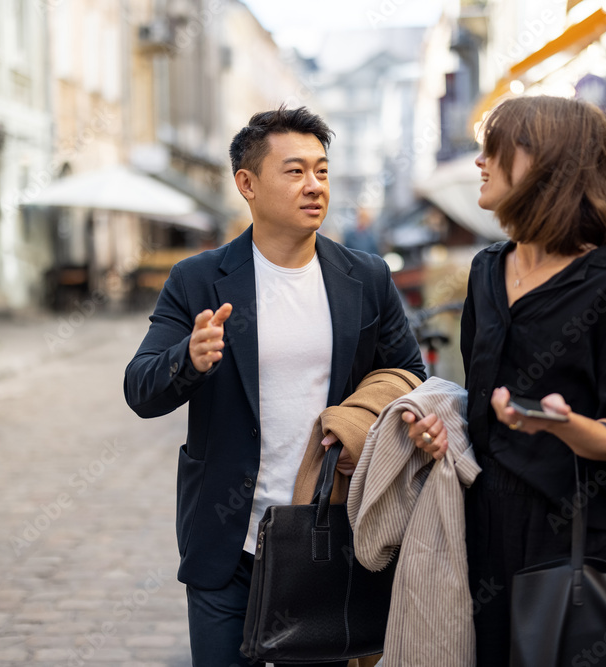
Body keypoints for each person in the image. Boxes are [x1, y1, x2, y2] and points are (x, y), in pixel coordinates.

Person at [124, 105, 426, 667]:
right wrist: (188, 359)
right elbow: (140, 389)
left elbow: (413, 378)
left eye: (322, 170)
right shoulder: (198, 279)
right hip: (226, 540)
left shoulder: (365, 277)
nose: (314, 186)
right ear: (248, 184)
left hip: (327, 533)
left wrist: (393, 421)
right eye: (294, 171)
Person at [402, 96, 606, 664]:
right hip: (480, 526)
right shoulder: (486, 272)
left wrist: (568, 428)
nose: (480, 161)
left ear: (548, 162)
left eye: (495, 147)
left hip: (571, 539)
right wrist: (440, 432)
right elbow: (479, 405)